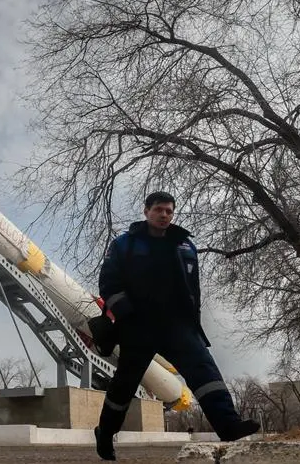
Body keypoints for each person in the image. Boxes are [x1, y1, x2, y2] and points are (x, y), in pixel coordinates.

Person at [93, 191, 259, 461]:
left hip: (178, 326)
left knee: (205, 374)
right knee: (124, 385)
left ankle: (229, 425)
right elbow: (109, 283)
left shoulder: (185, 245)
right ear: (146, 211)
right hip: (138, 326)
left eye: (169, 211)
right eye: (159, 210)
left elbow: (193, 289)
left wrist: (192, 321)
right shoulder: (125, 244)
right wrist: (126, 316)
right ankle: (105, 433)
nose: (164, 215)